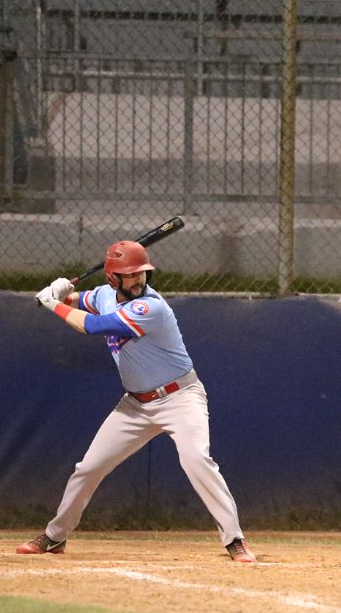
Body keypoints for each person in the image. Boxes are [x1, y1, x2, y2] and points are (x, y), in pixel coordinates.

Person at [19, 240, 255, 563]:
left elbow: (91, 325)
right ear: (112, 278)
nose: (138, 280)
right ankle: (55, 536)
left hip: (180, 398)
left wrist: (51, 303)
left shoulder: (150, 308)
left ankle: (235, 539)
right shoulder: (104, 295)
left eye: (141, 273)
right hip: (135, 406)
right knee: (88, 468)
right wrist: (62, 293)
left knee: (196, 459)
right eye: (129, 275)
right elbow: (83, 301)